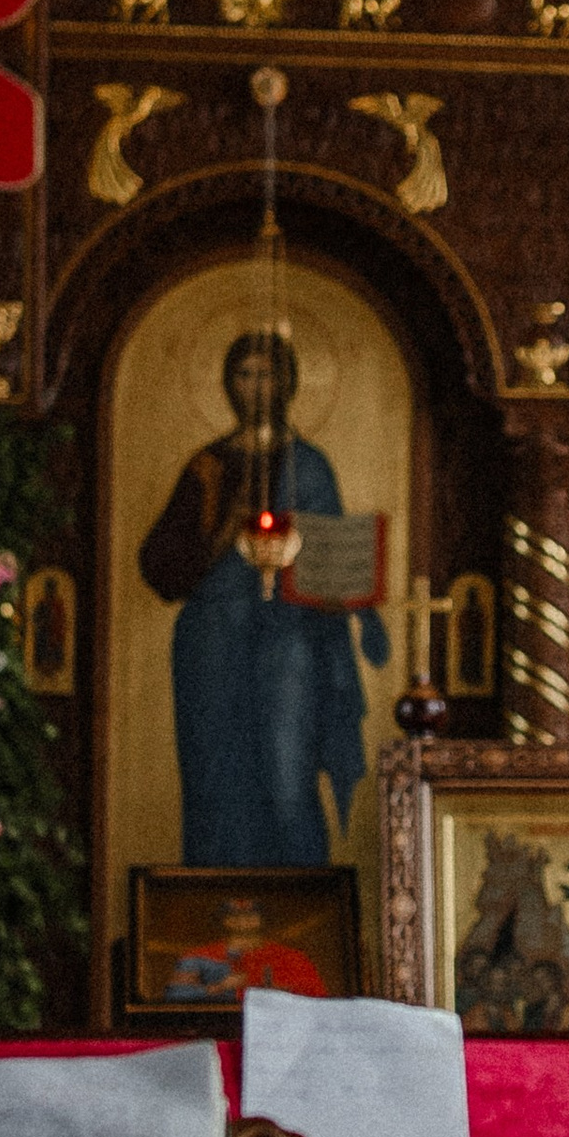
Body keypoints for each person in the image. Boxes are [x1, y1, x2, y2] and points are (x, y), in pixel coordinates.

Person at [137, 331, 389, 868]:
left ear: (288, 383)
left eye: (266, 374)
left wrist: (342, 591)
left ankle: (302, 913)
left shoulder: (308, 466)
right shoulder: (207, 467)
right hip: (211, 641)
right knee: (215, 779)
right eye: (244, 374)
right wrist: (219, 528)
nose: (255, 387)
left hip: (286, 645)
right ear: (228, 384)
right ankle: (213, 901)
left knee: (286, 780)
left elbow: (334, 562)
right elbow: (159, 563)